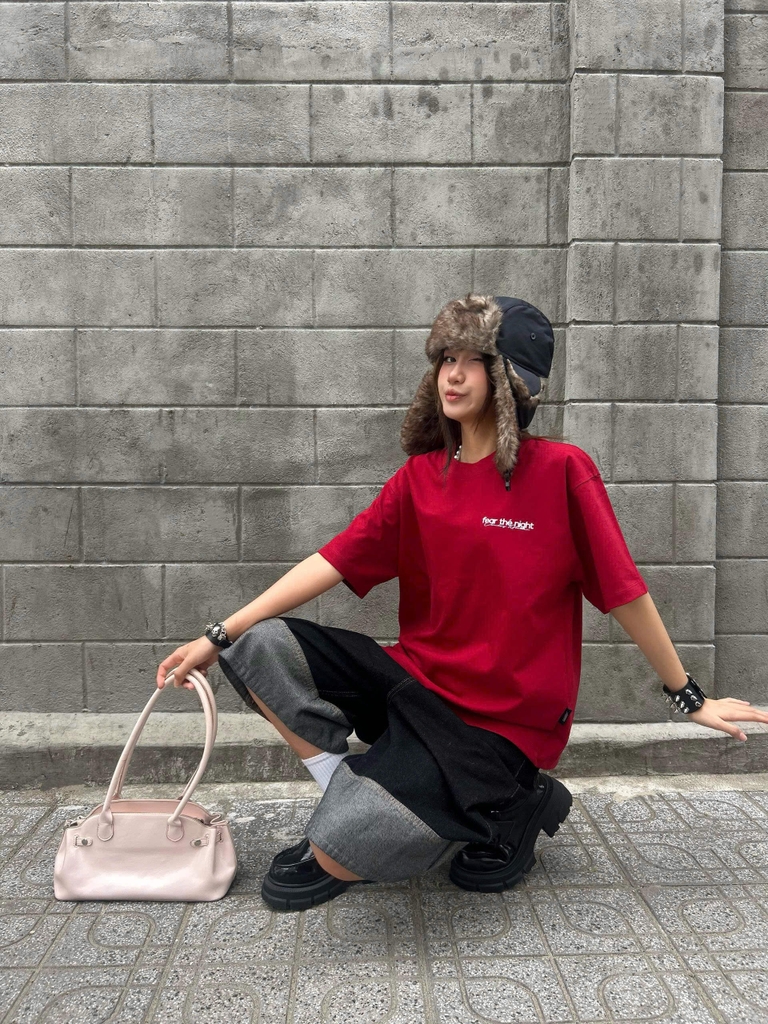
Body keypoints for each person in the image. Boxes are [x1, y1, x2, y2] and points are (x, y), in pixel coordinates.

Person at [156, 293, 768, 913]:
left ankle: (514, 803)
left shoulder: (561, 471)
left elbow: (624, 592)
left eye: (474, 360)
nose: (453, 374)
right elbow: (331, 561)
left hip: (500, 726)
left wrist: (689, 696)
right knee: (257, 646)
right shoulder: (421, 478)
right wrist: (217, 635)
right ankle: (357, 798)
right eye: (447, 357)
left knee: (341, 849)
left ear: (510, 379)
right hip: (416, 688)